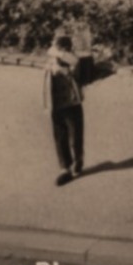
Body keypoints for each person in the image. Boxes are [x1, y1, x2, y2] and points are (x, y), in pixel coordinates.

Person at [43, 32, 85, 186]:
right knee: (60, 136)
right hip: (55, 104)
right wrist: (52, 64)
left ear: (65, 47)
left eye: (57, 44)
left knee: (75, 136)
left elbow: (74, 64)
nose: (53, 46)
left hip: (72, 104)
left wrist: (59, 64)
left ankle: (77, 161)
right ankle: (64, 167)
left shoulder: (71, 59)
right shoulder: (52, 58)